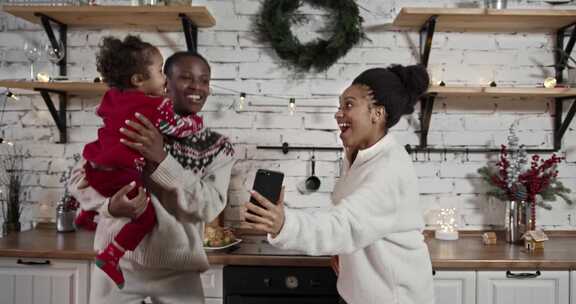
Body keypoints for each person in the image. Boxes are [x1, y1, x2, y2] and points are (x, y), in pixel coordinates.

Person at [244, 64, 435, 304]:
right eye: (340, 105)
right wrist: (344, 252)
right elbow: (357, 221)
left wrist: (285, 224)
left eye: (349, 105)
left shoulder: (389, 167)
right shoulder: (359, 157)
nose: (338, 113)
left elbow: (345, 224)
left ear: (377, 113)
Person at [69, 51, 234, 304]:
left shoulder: (218, 146)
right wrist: (109, 206)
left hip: (178, 271)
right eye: (186, 78)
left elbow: (209, 205)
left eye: (204, 80)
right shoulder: (133, 121)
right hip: (116, 267)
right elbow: (79, 179)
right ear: (164, 82)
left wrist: (161, 159)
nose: (197, 87)